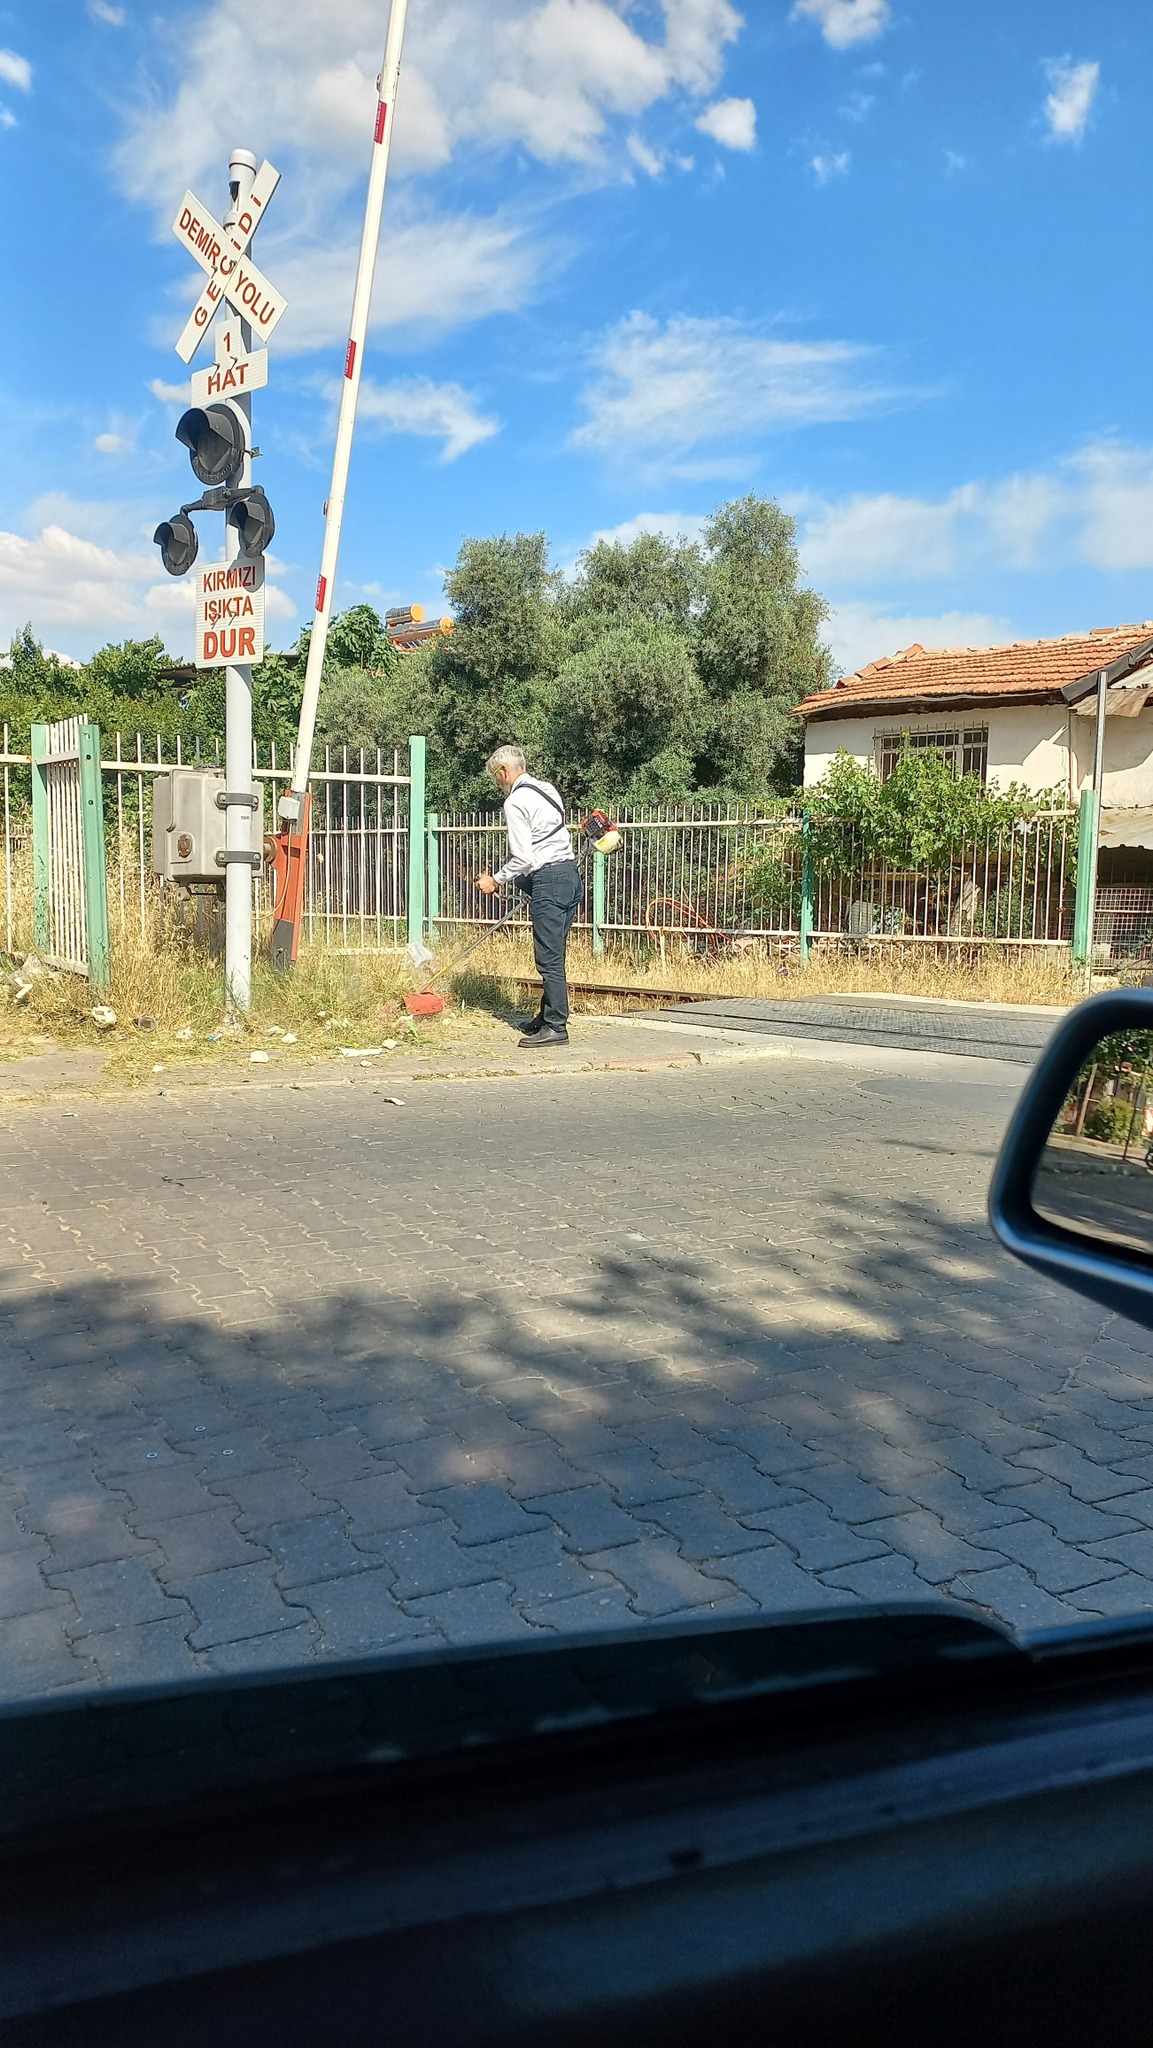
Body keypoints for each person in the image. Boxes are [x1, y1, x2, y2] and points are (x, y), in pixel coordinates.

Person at [477, 745, 582, 1048]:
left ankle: (556, 1026)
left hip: (549, 880)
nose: (498, 784)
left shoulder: (515, 801)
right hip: (569, 876)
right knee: (556, 952)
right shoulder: (546, 789)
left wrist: (495, 880)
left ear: (504, 772)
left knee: (548, 958)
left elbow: (522, 857)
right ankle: (546, 1016)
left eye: (496, 778)